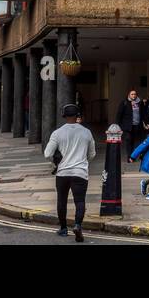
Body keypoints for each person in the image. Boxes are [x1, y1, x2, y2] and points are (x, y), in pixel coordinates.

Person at [43, 103, 96, 242]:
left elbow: (47, 153)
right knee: (80, 201)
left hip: (63, 173)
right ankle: (78, 225)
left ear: (64, 116)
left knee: (62, 201)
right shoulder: (86, 132)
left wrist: (56, 161)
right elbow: (92, 154)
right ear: (77, 115)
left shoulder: (57, 133)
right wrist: (83, 160)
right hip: (80, 172)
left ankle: (63, 228)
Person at [114, 89, 144, 162]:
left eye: (135, 94)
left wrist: (145, 122)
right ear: (129, 95)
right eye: (132, 94)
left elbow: (143, 113)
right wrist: (118, 125)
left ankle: (133, 156)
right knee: (128, 140)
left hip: (136, 125)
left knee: (134, 141)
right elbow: (119, 114)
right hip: (127, 126)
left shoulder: (139, 103)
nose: (133, 96)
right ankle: (129, 157)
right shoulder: (124, 103)